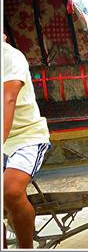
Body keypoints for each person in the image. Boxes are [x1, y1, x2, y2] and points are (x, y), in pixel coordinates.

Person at [3, 34, 51, 248]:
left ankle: (26, 246)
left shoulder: (11, 58)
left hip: (26, 136)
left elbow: (8, 99)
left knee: (10, 190)